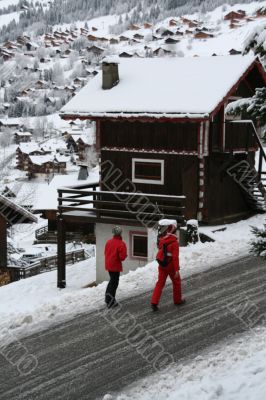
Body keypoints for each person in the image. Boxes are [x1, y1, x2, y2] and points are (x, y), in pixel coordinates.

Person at [151, 220, 185, 311]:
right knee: (176, 282)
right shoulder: (174, 243)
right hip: (170, 265)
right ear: (175, 230)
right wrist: (177, 270)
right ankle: (177, 300)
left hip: (162, 264)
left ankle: (154, 302)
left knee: (160, 283)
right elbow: (175, 258)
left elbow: (160, 248)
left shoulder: (163, 240)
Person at [104, 226, 127, 308]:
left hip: (108, 264)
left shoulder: (108, 242)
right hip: (115, 265)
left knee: (111, 281)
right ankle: (110, 301)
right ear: (120, 233)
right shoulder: (121, 243)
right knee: (114, 283)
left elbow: (105, 252)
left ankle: (108, 299)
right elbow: (122, 257)